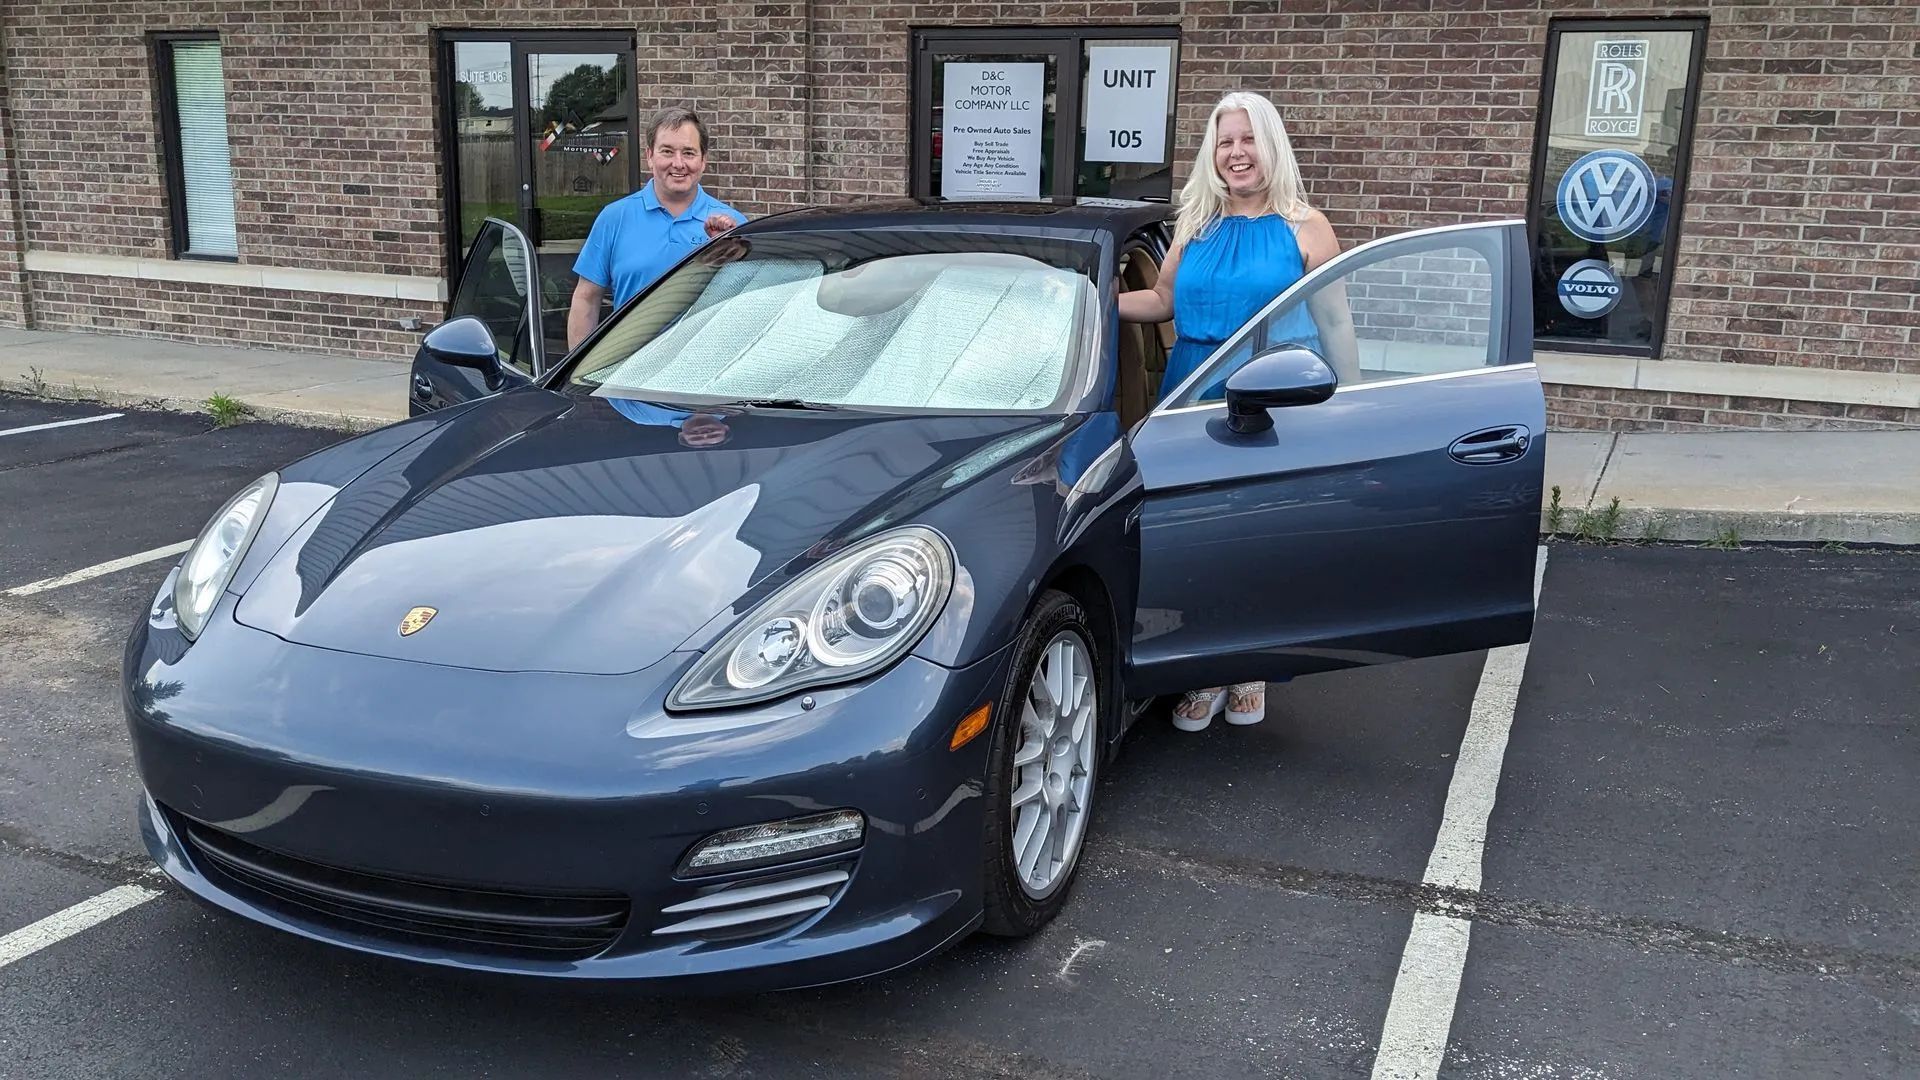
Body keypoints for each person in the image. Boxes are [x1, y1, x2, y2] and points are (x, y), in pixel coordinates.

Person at [1117, 90, 1357, 733]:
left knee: (1261, 538)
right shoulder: (1196, 223)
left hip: (1276, 395)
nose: (1237, 152)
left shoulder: (1307, 226)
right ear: (1212, 153)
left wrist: (1355, 403)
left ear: (1270, 145)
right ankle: (1202, 667)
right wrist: (1090, 302)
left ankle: (1248, 666)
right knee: (1193, 537)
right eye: (1225, 141)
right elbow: (1162, 300)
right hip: (1192, 393)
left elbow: (1335, 321)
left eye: (1248, 139)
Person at [568, 107, 746, 351]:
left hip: (704, 376)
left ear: (703, 160)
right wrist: (574, 383)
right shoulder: (614, 218)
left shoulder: (732, 226)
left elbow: (747, 307)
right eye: (667, 151)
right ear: (650, 156)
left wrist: (727, 254)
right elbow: (586, 299)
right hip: (627, 378)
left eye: (689, 153)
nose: (678, 163)